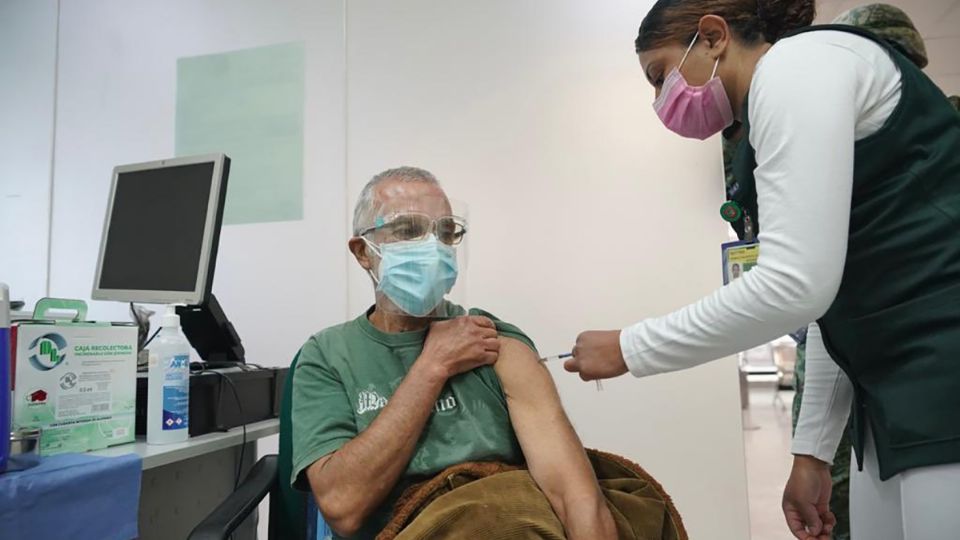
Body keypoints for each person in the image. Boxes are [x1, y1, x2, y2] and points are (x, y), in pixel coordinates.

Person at [563, 1, 960, 539]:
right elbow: (833, 301)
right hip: (895, 396)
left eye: (660, 76)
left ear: (712, 37)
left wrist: (629, 348)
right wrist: (813, 451)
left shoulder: (797, 68)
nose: (660, 102)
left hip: (941, 379)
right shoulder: (771, 110)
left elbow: (794, 287)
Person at [290, 167, 617, 539]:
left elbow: (575, 497)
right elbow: (344, 507)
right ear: (364, 252)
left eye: (445, 232)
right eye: (408, 230)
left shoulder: (494, 342)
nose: (432, 247)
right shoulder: (328, 355)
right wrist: (432, 366)